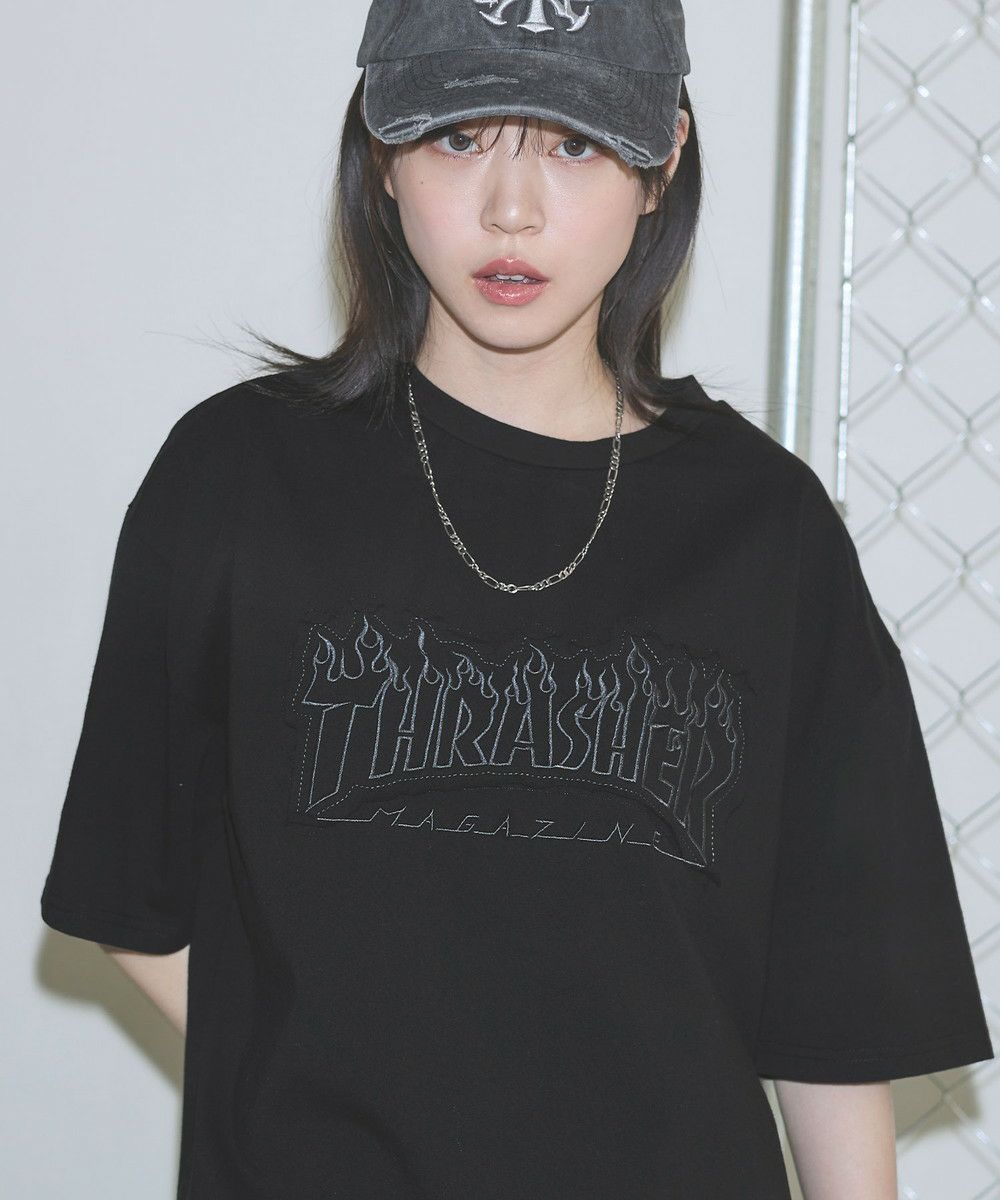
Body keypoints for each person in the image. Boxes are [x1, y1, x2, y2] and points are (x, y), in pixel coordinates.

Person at [40, 1, 993, 1196]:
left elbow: (834, 1006)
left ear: (661, 165)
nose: (511, 207)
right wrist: (326, 1105)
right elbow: (127, 889)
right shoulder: (235, 481)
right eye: (458, 137)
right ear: (381, 153)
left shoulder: (768, 532)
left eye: (575, 144)